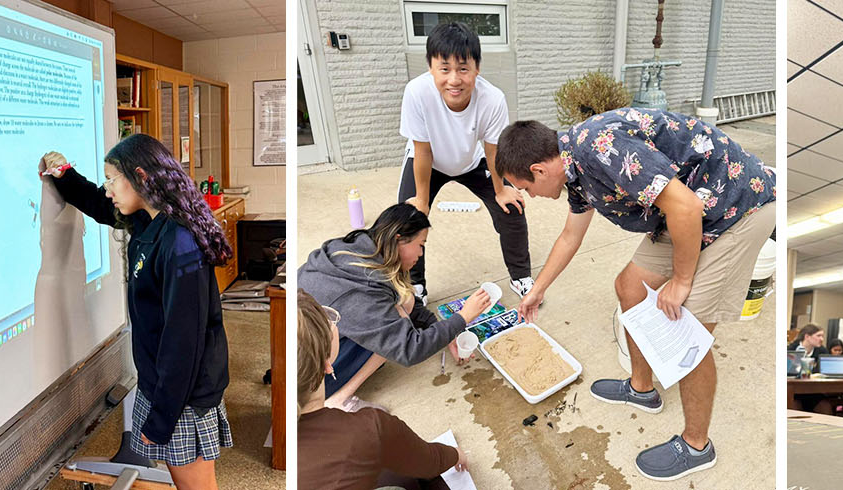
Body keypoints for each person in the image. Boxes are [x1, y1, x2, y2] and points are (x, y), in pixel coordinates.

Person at [494, 107, 776, 481]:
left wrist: (681, 279)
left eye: (525, 188)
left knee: (686, 331)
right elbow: (570, 236)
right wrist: (536, 290)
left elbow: (685, 205)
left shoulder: (599, 147)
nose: (529, 195)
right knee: (629, 286)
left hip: (737, 207)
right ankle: (642, 389)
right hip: (689, 210)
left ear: (539, 171)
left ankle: (697, 446)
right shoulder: (574, 173)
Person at [42, 135, 232, 490]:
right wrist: (64, 174)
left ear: (141, 176)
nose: (108, 188)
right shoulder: (148, 220)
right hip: (165, 385)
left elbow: (184, 344)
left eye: (112, 179)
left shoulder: (180, 241)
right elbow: (102, 204)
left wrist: (160, 420)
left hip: (183, 395)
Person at [298, 203, 496, 412]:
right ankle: (338, 399)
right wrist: (463, 317)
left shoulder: (358, 248)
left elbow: (404, 301)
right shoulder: (361, 292)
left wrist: (446, 331)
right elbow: (410, 349)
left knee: (404, 300)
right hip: (309, 380)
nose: (421, 253)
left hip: (302, 350)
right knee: (402, 310)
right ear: (398, 239)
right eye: (421, 244)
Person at [397, 22, 532, 301]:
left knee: (512, 208)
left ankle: (522, 277)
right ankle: (416, 285)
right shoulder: (417, 92)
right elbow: (421, 150)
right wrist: (421, 199)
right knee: (407, 219)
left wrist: (500, 189)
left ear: (477, 68)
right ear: (431, 67)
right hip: (428, 163)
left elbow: (494, 150)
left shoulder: (493, 99)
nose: (454, 79)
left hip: (473, 161)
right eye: (444, 69)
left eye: (463, 68)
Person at [297, 290, 465, 490]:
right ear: (327, 365)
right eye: (328, 320)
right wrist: (455, 454)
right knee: (424, 479)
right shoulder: (369, 429)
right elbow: (429, 461)